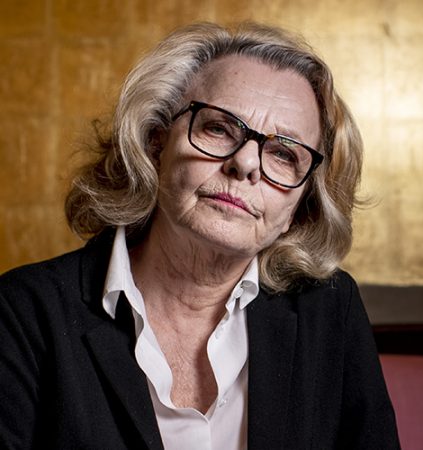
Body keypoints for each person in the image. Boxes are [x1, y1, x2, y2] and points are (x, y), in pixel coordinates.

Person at [0, 22, 400, 449]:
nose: (245, 164)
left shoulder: (330, 309)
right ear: (155, 144)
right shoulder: (22, 311)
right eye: (219, 128)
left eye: (284, 154)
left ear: (300, 206)